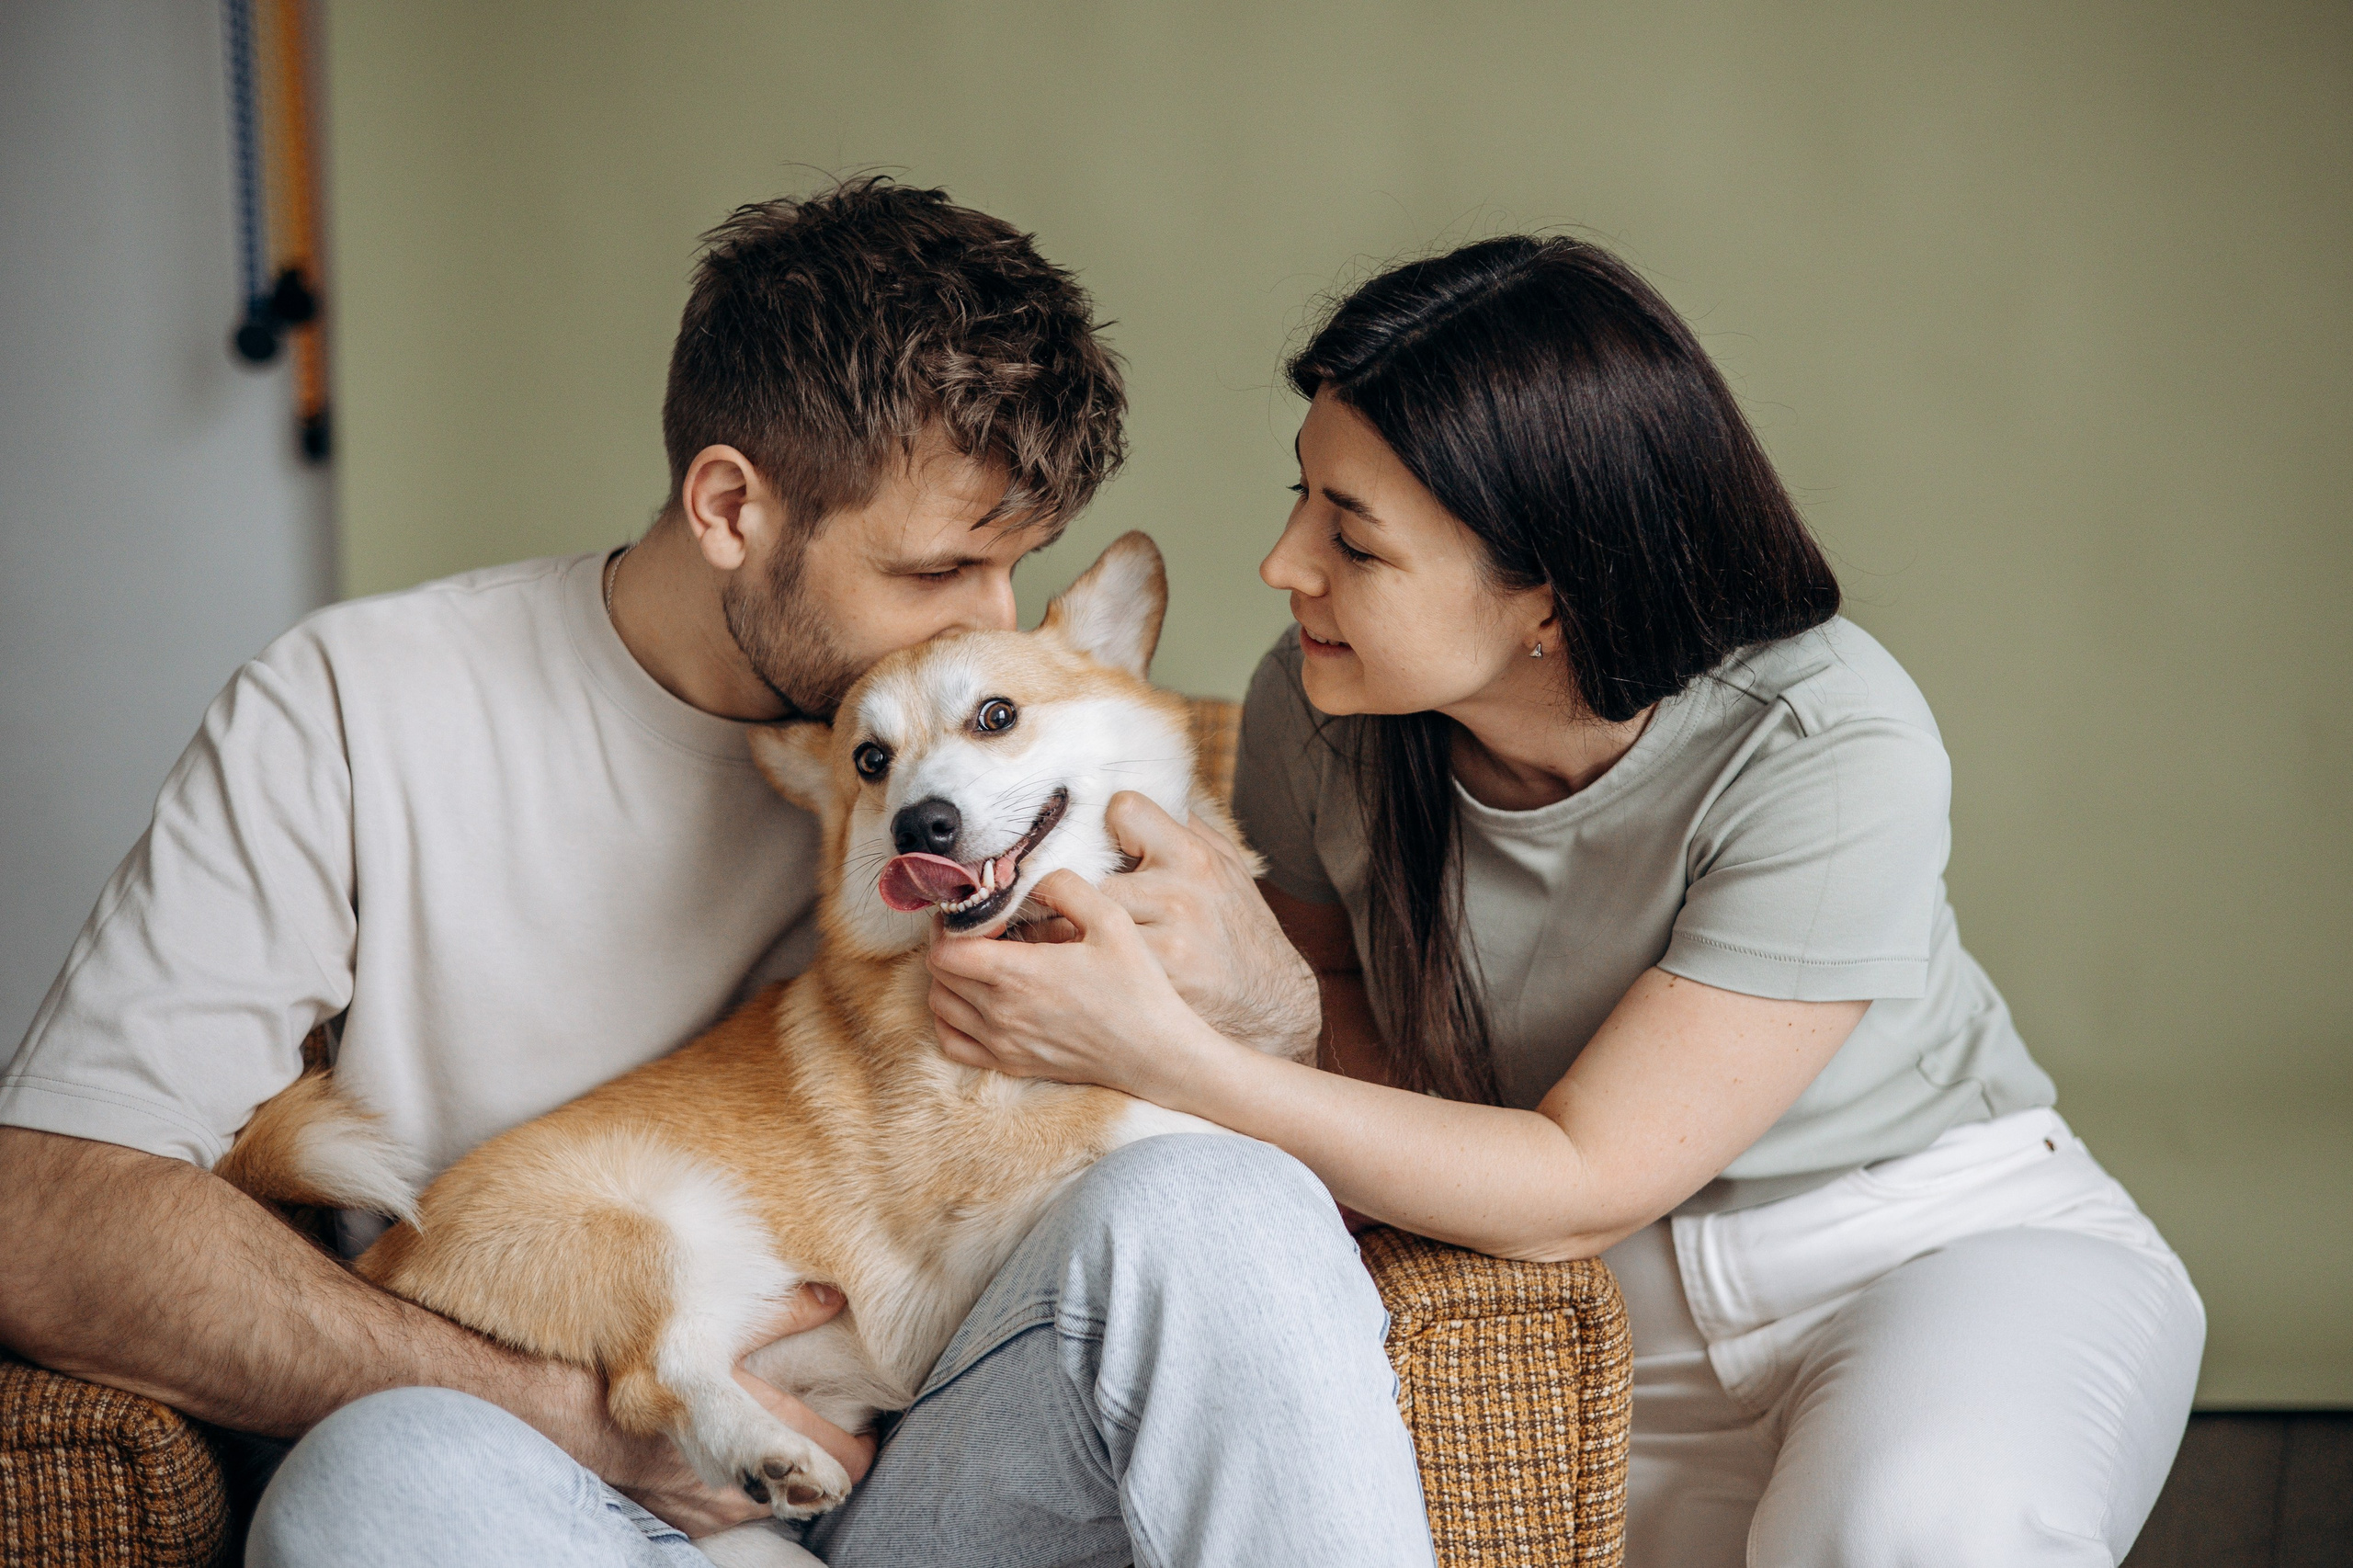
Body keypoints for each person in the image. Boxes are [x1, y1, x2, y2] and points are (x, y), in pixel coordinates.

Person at [0, 179, 1434, 1567]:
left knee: (1227, 1211)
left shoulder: (1026, 784)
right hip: (558, 1484)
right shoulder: (351, 706)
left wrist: (1272, 1013)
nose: (992, 629)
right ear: (734, 508)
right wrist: (581, 1420)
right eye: (940, 572)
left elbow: (1244, 1122)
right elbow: (50, 1214)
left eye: (1018, 568)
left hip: (947, 1462)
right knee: (371, 1482)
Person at [925, 235, 2207, 1567]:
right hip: (1569, 1318)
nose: (1282, 562)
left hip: (1926, 1254)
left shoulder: (1827, 742)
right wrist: (1266, 1003)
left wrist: (1175, 1051)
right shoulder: (1320, 709)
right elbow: (1357, 1065)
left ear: (1549, 589)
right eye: (1300, 496)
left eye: (1352, 540)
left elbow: (1586, 1176)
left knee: (1912, 1534)